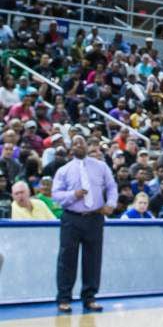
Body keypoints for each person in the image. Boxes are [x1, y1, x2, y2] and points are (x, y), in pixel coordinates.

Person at [51, 135, 117, 314]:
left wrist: (110, 203)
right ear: (71, 148)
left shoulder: (101, 167)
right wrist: (73, 195)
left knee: (93, 259)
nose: (79, 145)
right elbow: (55, 195)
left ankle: (90, 298)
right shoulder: (63, 170)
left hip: (95, 218)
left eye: (82, 142)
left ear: (88, 146)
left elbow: (111, 187)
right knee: (67, 260)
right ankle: (64, 299)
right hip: (72, 218)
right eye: (75, 143)